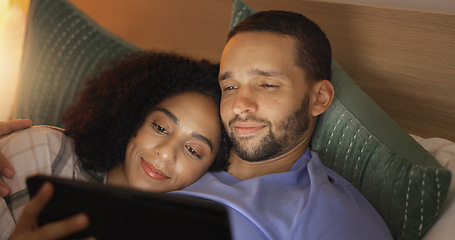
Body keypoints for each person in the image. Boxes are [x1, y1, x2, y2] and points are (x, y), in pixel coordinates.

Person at [1, 10, 393, 240]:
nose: (240, 104)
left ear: (319, 98)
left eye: (267, 84)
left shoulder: (323, 212)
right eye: (230, 85)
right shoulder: (177, 172)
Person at [0, 50, 229, 239]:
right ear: (135, 119)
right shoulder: (40, 153)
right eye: (160, 127)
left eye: (193, 150)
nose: (167, 153)